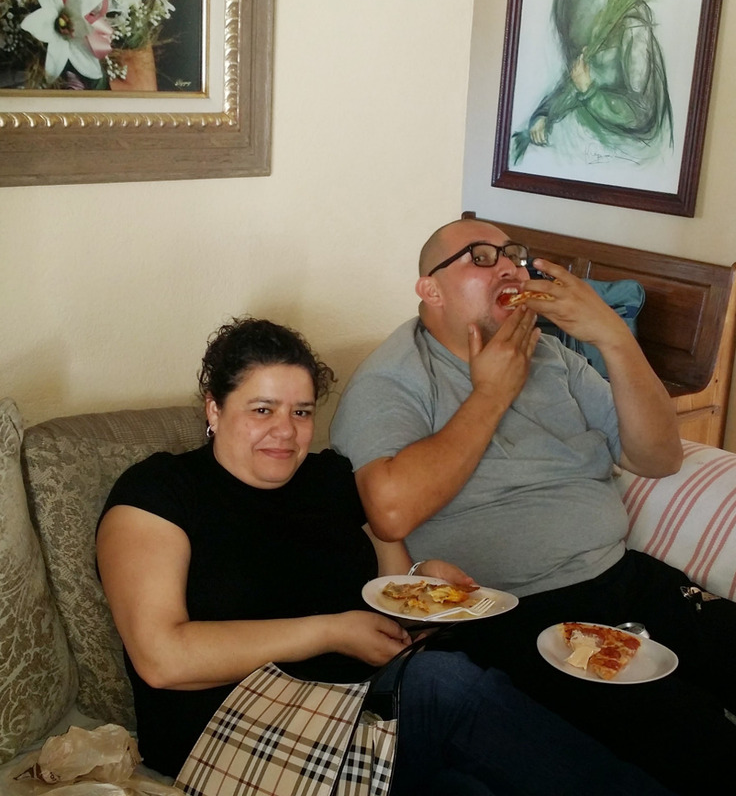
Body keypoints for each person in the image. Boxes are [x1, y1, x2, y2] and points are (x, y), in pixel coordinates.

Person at [96, 316, 671, 796]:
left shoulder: (330, 479)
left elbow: (395, 587)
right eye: (262, 410)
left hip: (364, 715)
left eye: (301, 412)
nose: (286, 432)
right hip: (232, 733)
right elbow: (162, 658)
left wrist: (426, 584)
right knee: (444, 683)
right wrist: (331, 631)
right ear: (214, 409)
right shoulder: (159, 492)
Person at [329, 218, 736, 793]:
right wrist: (491, 393)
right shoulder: (394, 378)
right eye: (481, 257)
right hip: (516, 613)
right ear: (430, 289)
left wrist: (613, 338)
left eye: (513, 254)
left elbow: (659, 456)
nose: (508, 267)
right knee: (707, 751)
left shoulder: (552, 355)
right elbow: (390, 512)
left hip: (624, 578)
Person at [511, 0, 673, 165]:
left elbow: (642, 112)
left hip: (621, 152)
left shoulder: (632, 18)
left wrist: (589, 92)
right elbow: (574, 76)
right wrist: (544, 112)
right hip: (577, 140)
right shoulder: (569, 3)